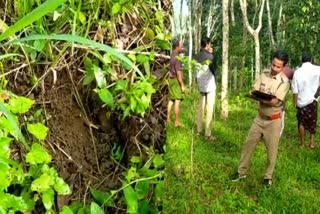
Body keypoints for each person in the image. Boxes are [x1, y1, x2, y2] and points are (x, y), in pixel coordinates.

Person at [231, 50, 290, 187]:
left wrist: (256, 96)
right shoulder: (264, 74)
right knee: (248, 144)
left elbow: (273, 102)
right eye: (273, 65)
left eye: (278, 67)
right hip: (259, 118)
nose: (274, 68)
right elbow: (253, 90)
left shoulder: (284, 82)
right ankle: (241, 172)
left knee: (271, 151)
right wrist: (258, 96)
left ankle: (268, 177)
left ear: (284, 67)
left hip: (274, 121)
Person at [291, 52, 320, 149]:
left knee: (302, 122)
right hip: (313, 100)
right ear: (311, 60)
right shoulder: (318, 69)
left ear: (302, 60)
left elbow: (295, 91)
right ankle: (312, 143)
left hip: (301, 102)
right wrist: (316, 96)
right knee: (313, 121)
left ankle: (302, 144)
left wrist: (294, 103)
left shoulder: (297, 72)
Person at [195, 37, 217, 140]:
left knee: (200, 108)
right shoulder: (210, 57)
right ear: (207, 45)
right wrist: (212, 54)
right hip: (210, 85)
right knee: (209, 109)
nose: (211, 46)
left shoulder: (196, 56)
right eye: (210, 44)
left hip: (201, 85)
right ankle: (208, 134)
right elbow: (214, 70)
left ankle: (199, 131)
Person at [167, 40, 186, 127]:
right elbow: (179, 73)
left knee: (171, 100)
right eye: (181, 46)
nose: (182, 48)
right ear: (177, 47)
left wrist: (183, 50)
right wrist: (182, 85)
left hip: (170, 79)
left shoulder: (172, 54)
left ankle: (168, 119)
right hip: (175, 80)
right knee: (177, 100)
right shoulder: (177, 58)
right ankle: (177, 122)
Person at [280, 64, 294, 136]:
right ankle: (280, 131)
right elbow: (293, 83)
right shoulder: (290, 71)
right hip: (282, 94)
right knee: (282, 109)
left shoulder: (277, 68)